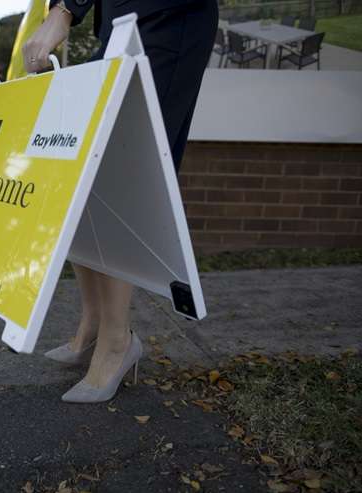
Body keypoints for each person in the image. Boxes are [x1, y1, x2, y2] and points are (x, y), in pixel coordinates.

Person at [22, 0, 217, 403]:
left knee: (120, 171)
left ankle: (116, 341)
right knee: (80, 171)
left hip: (166, 17)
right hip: (118, 23)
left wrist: (63, 11)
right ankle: (93, 322)